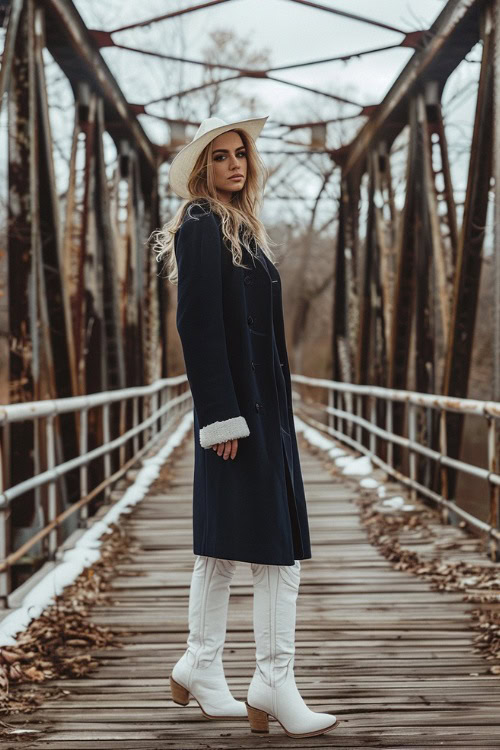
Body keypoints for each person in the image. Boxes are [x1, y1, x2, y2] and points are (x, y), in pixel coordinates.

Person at [150, 115, 338, 738]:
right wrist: (220, 415)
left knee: (222, 549)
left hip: (261, 410)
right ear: (202, 168)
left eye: (241, 155)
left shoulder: (240, 228)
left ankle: (201, 665)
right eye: (221, 156)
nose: (235, 164)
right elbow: (197, 328)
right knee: (275, 557)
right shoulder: (203, 227)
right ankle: (273, 681)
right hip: (239, 415)